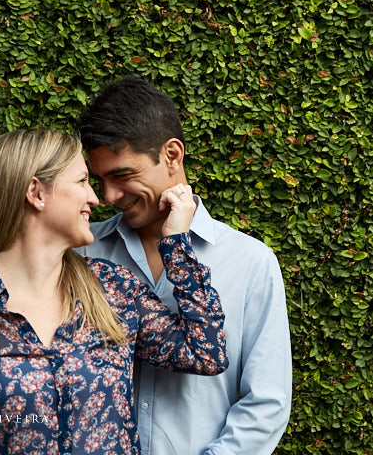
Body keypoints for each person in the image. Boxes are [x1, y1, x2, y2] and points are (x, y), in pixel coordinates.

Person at [0, 129, 227, 454]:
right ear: (36, 193)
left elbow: (206, 352)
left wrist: (176, 245)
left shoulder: (114, 289)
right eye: (82, 181)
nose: (95, 197)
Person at [76, 76, 292, 455]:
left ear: (172, 155)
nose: (109, 196)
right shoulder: (81, 254)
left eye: (122, 175)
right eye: (100, 180)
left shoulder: (251, 263)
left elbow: (266, 403)